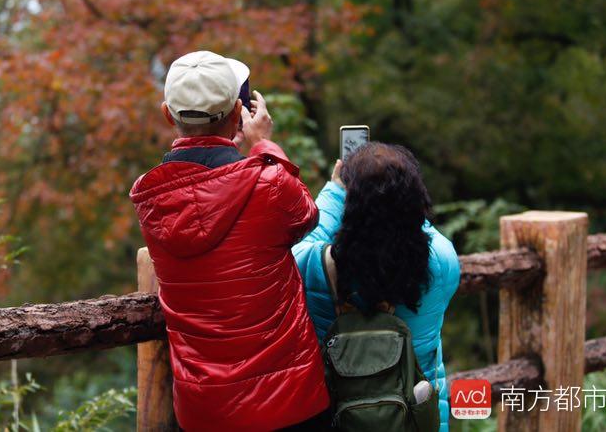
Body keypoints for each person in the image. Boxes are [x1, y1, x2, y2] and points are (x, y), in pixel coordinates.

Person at [130, 51, 329, 431]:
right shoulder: (268, 183)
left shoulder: (150, 199)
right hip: (290, 402)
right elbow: (306, 214)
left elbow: (202, 185)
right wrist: (263, 146)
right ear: (240, 112)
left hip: (206, 412)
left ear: (168, 114)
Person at [292, 142, 460, 432]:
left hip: (339, 419)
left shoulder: (315, 265)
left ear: (352, 206)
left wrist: (335, 191)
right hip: (414, 420)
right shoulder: (442, 261)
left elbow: (301, 241)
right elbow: (422, 231)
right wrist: (397, 194)